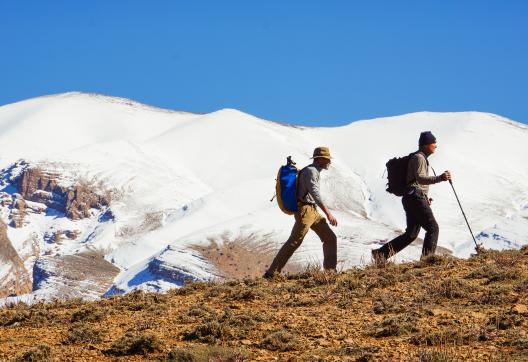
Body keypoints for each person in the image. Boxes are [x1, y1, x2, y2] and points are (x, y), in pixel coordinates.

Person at [372, 131, 451, 262]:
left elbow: (415, 181)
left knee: (411, 234)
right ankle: (426, 261)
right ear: (426, 145)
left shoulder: (419, 158)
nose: (436, 145)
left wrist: (425, 198)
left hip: (412, 198)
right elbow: (420, 179)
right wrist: (440, 178)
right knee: (433, 228)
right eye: (433, 142)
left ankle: (381, 254)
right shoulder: (419, 158)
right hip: (415, 198)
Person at [264, 147, 338, 278]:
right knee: (294, 242)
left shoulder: (313, 170)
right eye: (327, 159)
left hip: (312, 211)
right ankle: (271, 274)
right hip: (305, 211)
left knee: (330, 238)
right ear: (320, 159)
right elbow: (315, 194)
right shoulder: (311, 171)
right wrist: (328, 214)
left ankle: (330, 272)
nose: (329, 162)